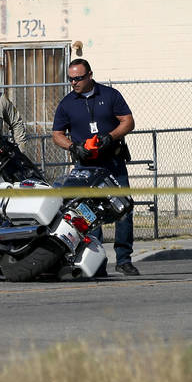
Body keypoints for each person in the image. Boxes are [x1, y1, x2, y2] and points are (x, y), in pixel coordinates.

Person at [51, 58, 139, 276]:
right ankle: (97, 261)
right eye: (71, 79)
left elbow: (128, 121)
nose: (74, 83)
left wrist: (110, 137)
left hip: (112, 162)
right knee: (89, 214)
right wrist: (74, 147)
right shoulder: (67, 103)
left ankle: (124, 259)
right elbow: (57, 134)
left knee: (123, 210)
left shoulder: (110, 95)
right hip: (85, 166)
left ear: (90, 75)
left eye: (79, 78)